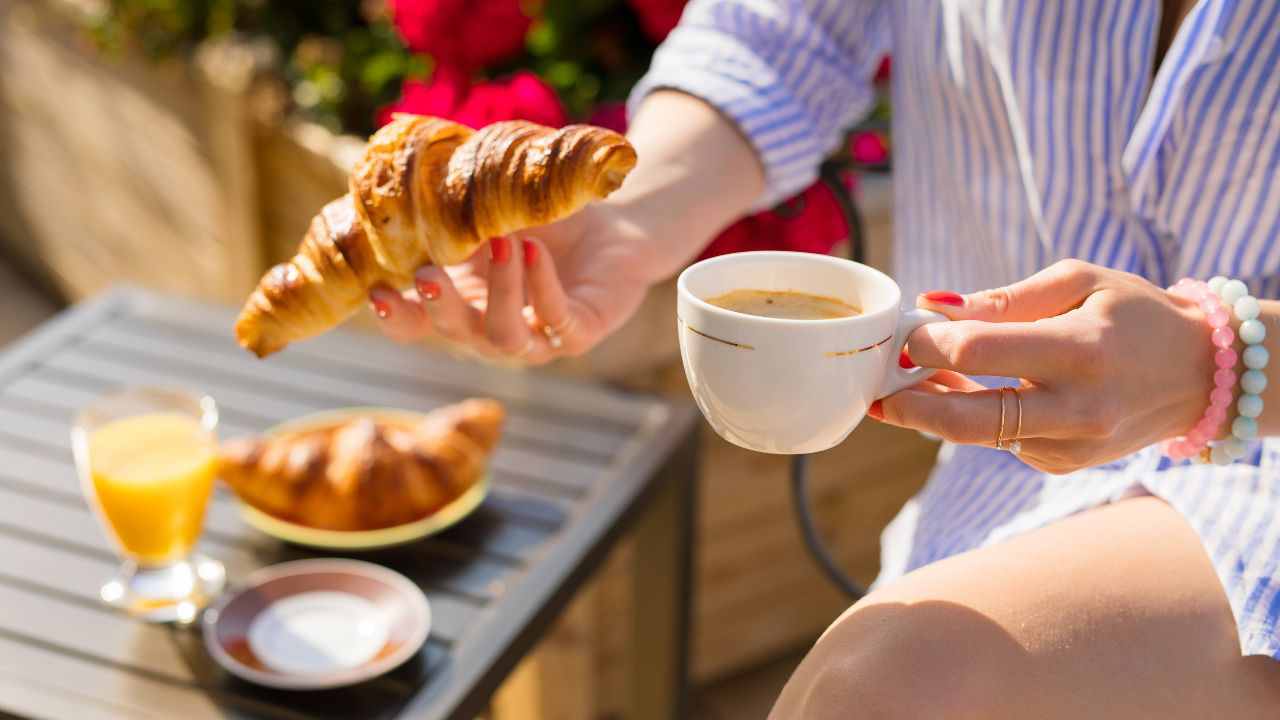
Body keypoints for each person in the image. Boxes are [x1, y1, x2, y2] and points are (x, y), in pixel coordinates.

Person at [370, 1, 1280, 716]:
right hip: (1000, 484)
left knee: (890, 685)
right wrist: (626, 216)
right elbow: (786, 29)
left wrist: (1221, 361)